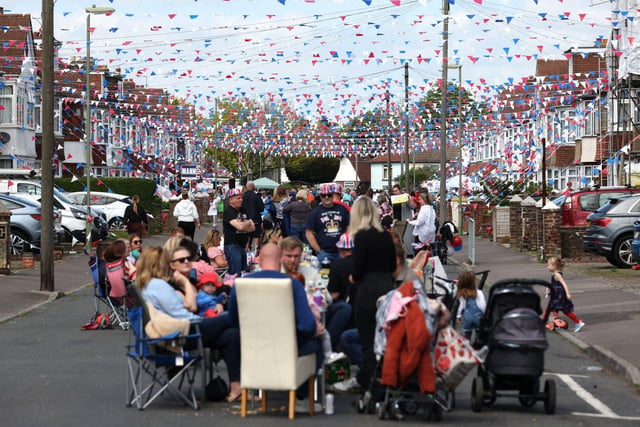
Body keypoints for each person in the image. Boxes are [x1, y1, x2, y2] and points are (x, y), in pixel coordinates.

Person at [136, 246, 242, 402]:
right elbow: (182, 314)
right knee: (233, 315)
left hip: (182, 332)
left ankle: (236, 389)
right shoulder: (157, 285)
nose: (168, 265)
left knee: (231, 335)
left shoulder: (150, 285)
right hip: (183, 333)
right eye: (165, 261)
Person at [226, 243, 321, 411]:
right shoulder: (293, 284)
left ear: (259, 261)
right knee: (316, 346)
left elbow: (233, 321)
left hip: (252, 348)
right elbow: (307, 325)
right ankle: (301, 397)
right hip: (287, 348)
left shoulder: (240, 284)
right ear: (280, 260)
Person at [350, 195, 396, 401]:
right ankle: (385, 381)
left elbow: (358, 270)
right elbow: (393, 267)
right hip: (387, 291)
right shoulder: (385, 235)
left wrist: (353, 276)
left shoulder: (361, 237)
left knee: (368, 343)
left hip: (367, 293)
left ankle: (369, 385)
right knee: (386, 342)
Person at [305, 183, 350, 265]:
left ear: (333, 195)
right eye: (323, 195)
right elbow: (309, 233)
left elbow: (349, 227)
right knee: (324, 276)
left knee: (342, 276)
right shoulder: (315, 212)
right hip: (324, 252)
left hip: (341, 251)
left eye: (329, 195)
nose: (326, 197)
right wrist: (318, 250)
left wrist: (346, 246)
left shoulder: (342, 209)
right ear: (320, 196)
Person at [543, 256, 585, 332]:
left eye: (549, 265)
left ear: (555, 266)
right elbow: (555, 285)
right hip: (557, 295)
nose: (547, 267)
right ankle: (577, 322)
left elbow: (564, 284)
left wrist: (568, 294)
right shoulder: (555, 275)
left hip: (559, 296)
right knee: (564, 310)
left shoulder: (557, 275)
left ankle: (548, 322)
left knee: (553, 308)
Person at [223, 188, 255, 275]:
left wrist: (245, 225)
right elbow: (240, 227)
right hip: (232, 245)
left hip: (242, 245)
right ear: (231, 199)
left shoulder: (242, 211)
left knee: (245, 272)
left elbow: (252, 228)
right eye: (238, 198)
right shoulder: (228, 211)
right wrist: (247, 222)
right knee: (235, 274)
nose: (241, 200)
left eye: (241, 198)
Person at [455, 270, 486, 340]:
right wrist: (485, 314)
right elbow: (482, 305)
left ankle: (468, 346)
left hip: (467, 317)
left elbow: (461, 306)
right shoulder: (479, 292)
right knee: (479, 334)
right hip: (478, 318)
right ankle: (478, 346)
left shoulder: (461, 294)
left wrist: (458, 316)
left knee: (467, 335)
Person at [241, 181, 265, 252]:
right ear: (253, 187)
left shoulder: (243, 196)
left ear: (246, 187)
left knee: (247, 237)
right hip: (256, 219)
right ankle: (255, 251)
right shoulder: (257, 196)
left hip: (246, 219)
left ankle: (246, 252)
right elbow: (261, 209)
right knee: (256, 236)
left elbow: (240, 208)